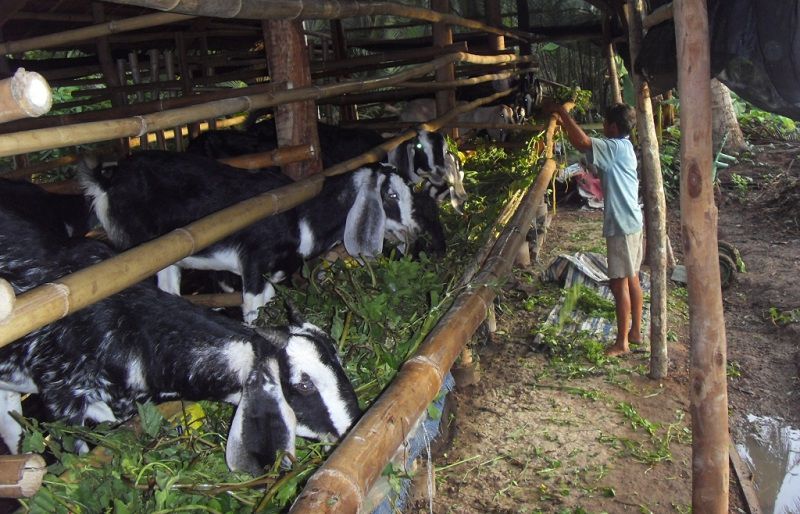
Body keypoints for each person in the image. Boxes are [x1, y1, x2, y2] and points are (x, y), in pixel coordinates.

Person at [545, 102, 644, 356]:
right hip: (633, 221)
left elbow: (582, 142)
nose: (603, 127)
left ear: (612, 127)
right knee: (632, 277)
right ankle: (635, 332)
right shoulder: (626, 147)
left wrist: (563, 113)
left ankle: (621, 343)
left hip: (621, 224)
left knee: (618, 283)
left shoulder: (613, 147)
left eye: (605, 124)